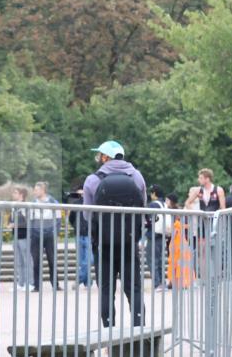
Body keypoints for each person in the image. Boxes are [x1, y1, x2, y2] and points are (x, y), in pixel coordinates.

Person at [83, 140, 147, 327]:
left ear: (105, 157)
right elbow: (142, 207)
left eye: (99, 155)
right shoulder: (136, 177)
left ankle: (108, 330)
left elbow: (87, 214)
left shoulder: (93, 180)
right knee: (134, 288)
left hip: (103, 243)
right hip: (129, 242)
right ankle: (139, 330)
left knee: (106, 289)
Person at [28, 182, 61, 291]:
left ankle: (55, 285)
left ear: (43, 190)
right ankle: (37, 286)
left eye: (36, 190)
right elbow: (30, 220)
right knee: (36, 261)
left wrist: (55, 233)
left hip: (49, 235)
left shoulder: (53, 202)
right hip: (36, 235)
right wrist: (32, 234)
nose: (34, 192)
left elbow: (58, 220)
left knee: (52, 261)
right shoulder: (32, 203)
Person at [65, 181, 94, 288]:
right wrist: (76, 227)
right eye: (79, 193)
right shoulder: (75, 204)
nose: (81, 195)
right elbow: (71, 219)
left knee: (89, 259)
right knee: (82, 261)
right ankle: (88, 281)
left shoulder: (92, 203)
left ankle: (79, 279)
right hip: (79, 234)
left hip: (89, 234)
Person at [164, 194, 191, 289]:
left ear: (171, 201)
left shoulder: (175, 212)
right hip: (175, 239)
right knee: (175, 261)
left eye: (167, 200)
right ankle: (174, 281)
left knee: (176, 261)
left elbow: (179, 226)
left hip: (177, 240)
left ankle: (177, 282)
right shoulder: (175, 211)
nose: (166, 202)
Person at [9, 187, 32, 289]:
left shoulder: (25, 206)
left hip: (24, 236)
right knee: (18, 261)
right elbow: (11, 220)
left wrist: (15, 224)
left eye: (15, 192)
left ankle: (29, 283)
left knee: (27, 260)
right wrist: (11, 223)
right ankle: (20, 282)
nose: (13, 194)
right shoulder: (14, 207)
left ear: (21, 195)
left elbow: (28, 222)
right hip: (16, 236)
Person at [144, 185, 166, 288]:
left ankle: (157, 283)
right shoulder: (164, 204)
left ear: (154, 193)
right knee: (160, 260)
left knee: (151, 259)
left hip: (153, 234)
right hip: (162, 234)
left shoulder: (153, 204)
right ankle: (162, 282)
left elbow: (148, 219)